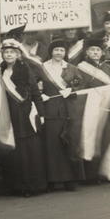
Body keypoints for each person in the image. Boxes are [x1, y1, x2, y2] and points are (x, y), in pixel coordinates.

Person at [0, 35, 47, 197]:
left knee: (29, 151)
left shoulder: (25, 70)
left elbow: (36, 93)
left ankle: (33, 185)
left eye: (12, 52)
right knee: (14, 153)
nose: (8, 55)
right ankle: (18, 185)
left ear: (18, 54)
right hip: (8, 117)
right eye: (6, 52)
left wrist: (41, 113)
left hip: (26, 115)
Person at [36, 38, 85, 191]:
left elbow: (80, 85)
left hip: (68, 110)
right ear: (51, 51)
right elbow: (35, 85)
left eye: (62, 50)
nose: (59, 53)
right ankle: (53, 179)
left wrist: (71, 90)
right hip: (50, 110)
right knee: (52, 145)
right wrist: (40, 94)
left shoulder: (72, 68)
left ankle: (70, 179)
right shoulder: (42, 68)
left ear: (65, 53)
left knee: (69, 144)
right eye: (56, 50)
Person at [74, 37, 110, 182]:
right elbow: (79, 89)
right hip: (90, 109)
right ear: (86, 52)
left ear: (102, 53)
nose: (95, 52)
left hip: (107, 108)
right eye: (92, 50)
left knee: (106, 138)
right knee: (90, 139)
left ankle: (105, 173)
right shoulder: (80, 67)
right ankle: (91, 175)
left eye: (98, 50)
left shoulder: (108, 68)